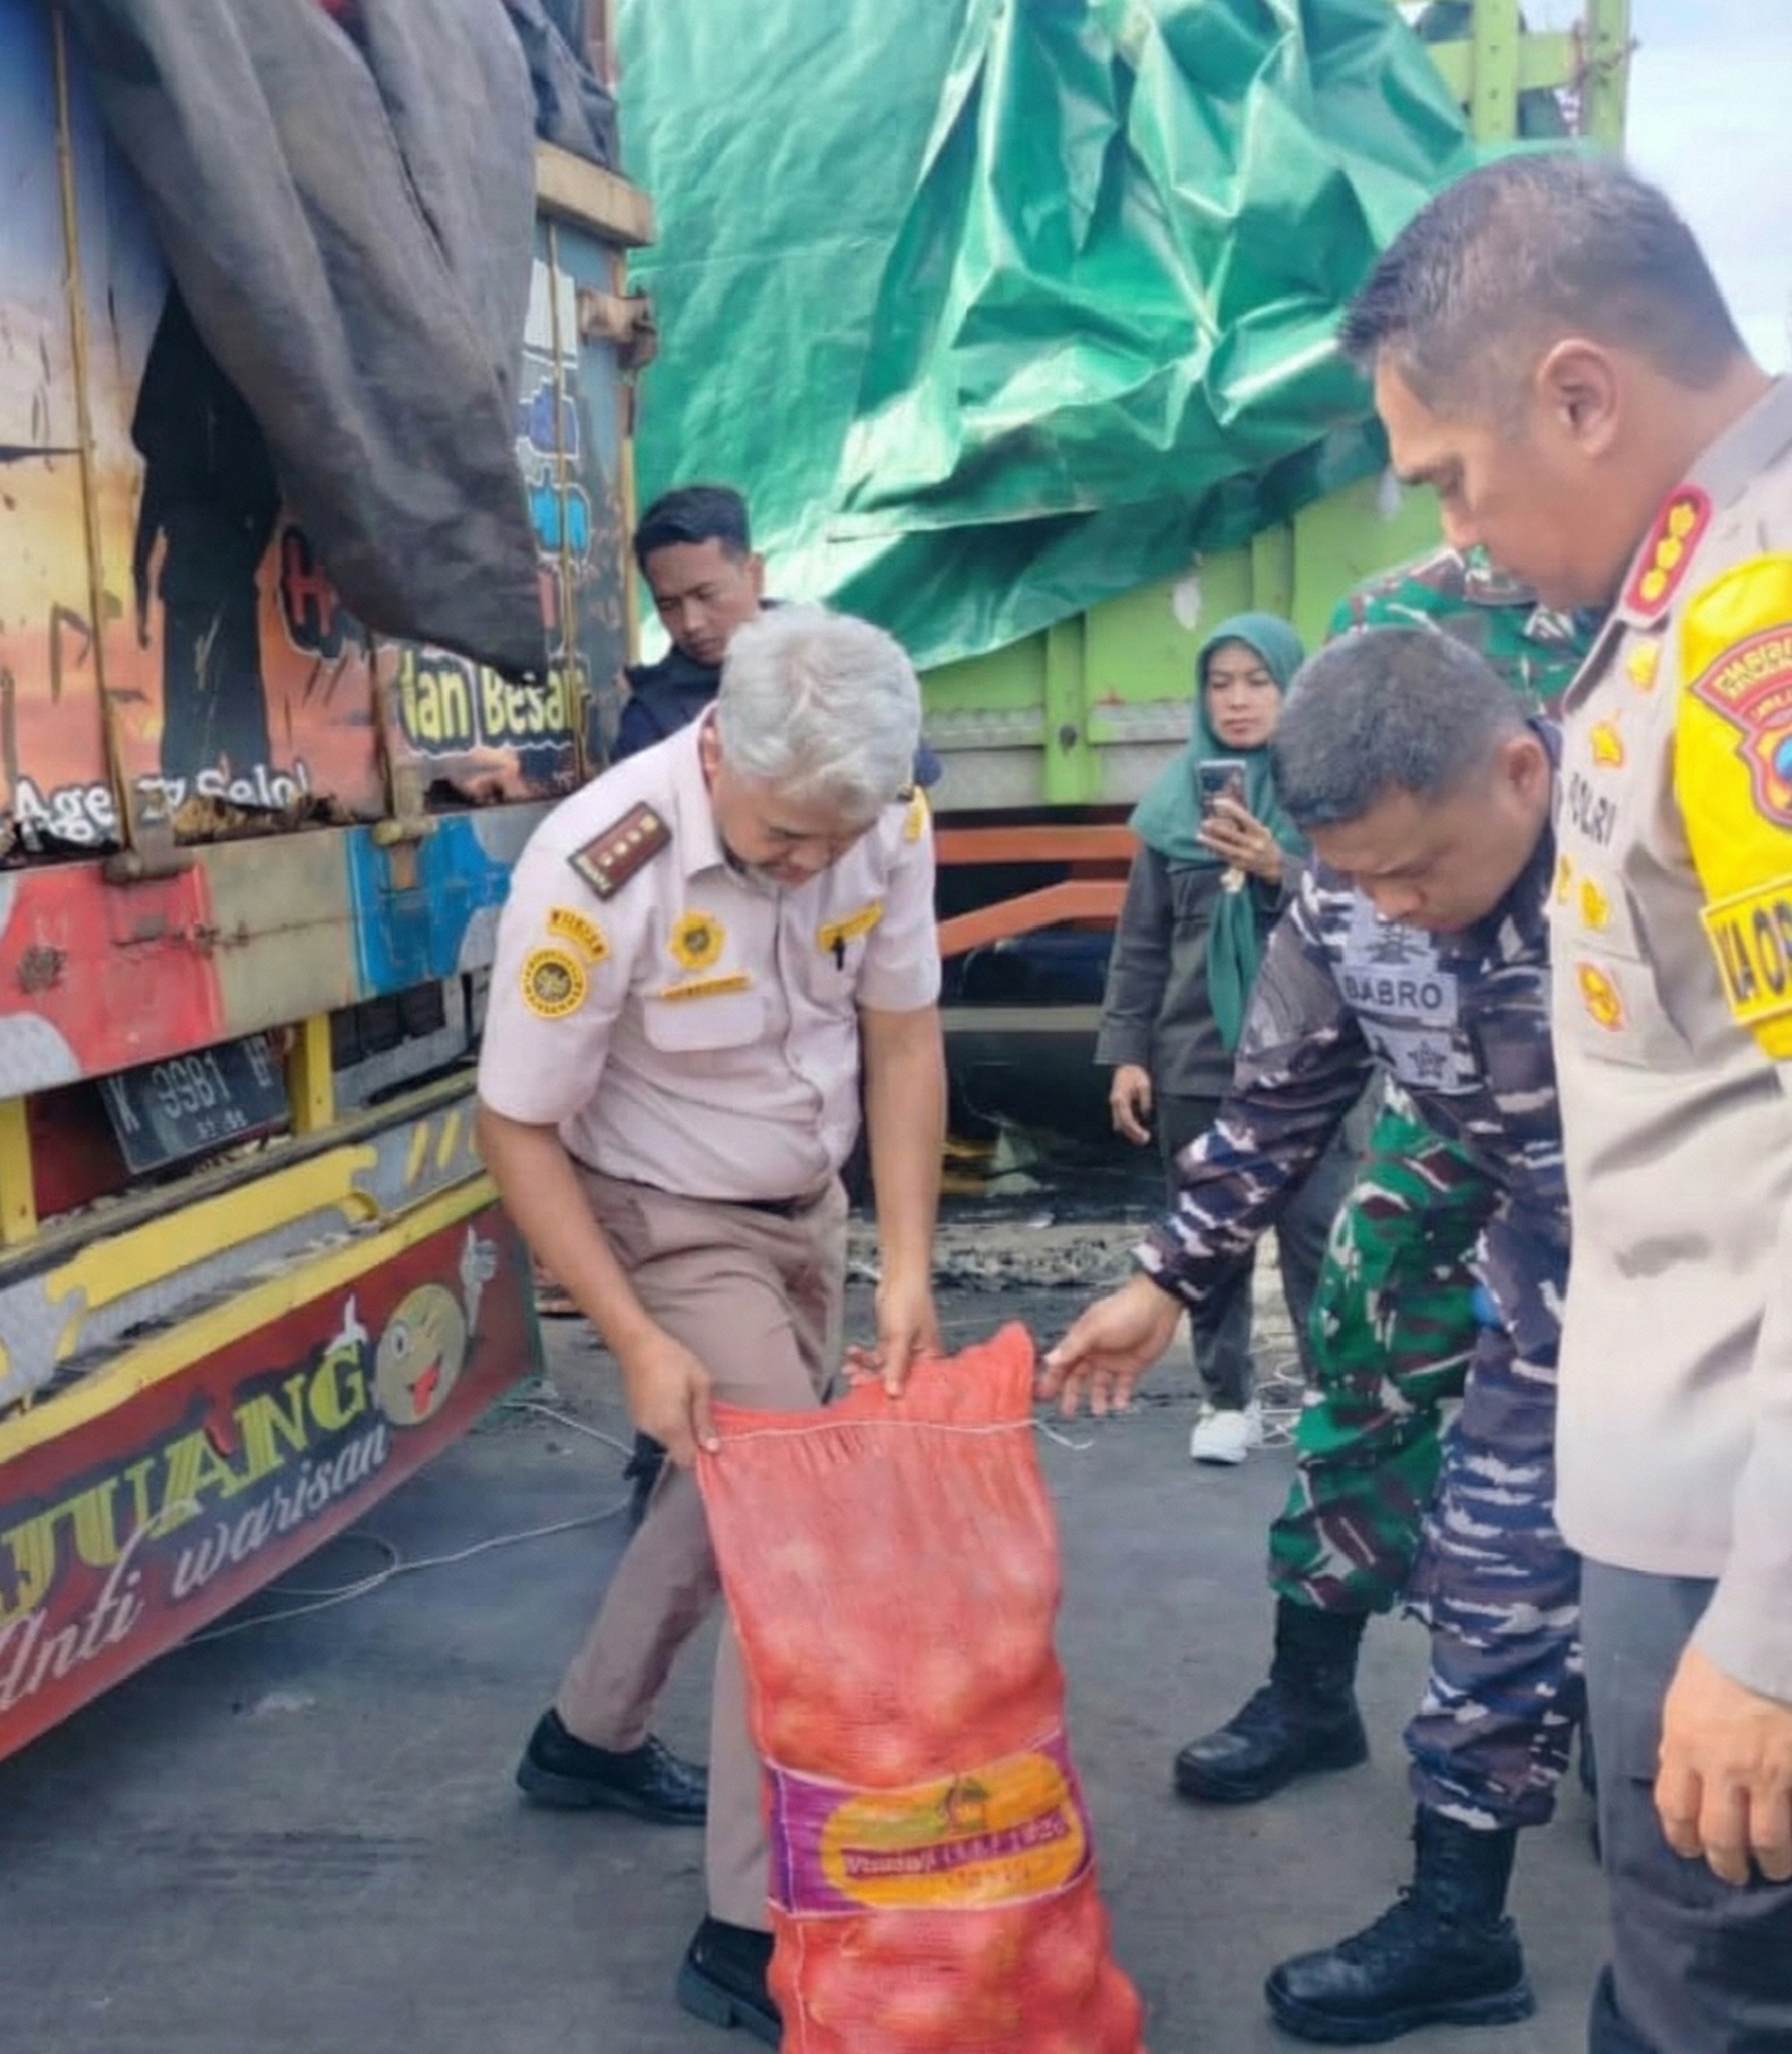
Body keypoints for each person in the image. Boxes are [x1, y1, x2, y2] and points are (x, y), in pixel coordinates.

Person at [1341, 152, 1792, 2054]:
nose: (1455, 535)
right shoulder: (1687, 583)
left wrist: (1768, 1629)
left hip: (1737, 1524)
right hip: (1686, 1486)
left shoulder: (1753, 626)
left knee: (1707, 2006)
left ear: (1580, 392)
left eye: (1451, 476)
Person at [1045, 627, 1581, 2044]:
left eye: (1420, 870)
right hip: (1474, 1170)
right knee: (1406, 1422)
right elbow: (1278, 1101)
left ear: (1521, 776)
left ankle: (1547, 1851)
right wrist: (1166, 1279)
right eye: (1357, 875)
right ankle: (1362, 1765)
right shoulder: (1346, 897)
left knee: (1566, 1550)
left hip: (1649, 1227)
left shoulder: (1643, 857)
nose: (1393, 908)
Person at [477, 605, 945, 2044]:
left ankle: (589, 1735)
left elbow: (903, 1031)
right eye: (783, 837)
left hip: (804, 1203)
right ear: (719, 744)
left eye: (833, 839)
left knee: (736, 1475)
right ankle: (754, 1921)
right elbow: (518, 1123)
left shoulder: (880, 817)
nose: (811, 865)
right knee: (796, 1536)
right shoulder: (597, 859)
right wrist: (628, 1334)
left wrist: (910, 1261)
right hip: (660, 1210)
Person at [1177, 551, 1592, 1800]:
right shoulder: (1387, 604)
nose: (1458, 503)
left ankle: (1600, 1712)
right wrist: (1169, 1266)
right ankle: (1312, 1685)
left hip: (1601, 1095)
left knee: (1599, 1411)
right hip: (1441, 1092)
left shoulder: (1663, 584)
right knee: (1361, 1360)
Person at [1097, 612, 1358, 1464]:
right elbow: (1141, 944)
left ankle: (1326, 1391)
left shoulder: (1330, 798)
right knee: (1209, 1234)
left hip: (1311, 1056)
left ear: (1291, 688)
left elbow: (1372, 910)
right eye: (1221, 683)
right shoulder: (1175, 808)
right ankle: (1225, 1398)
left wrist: (1283, 865)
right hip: (1195, 1052)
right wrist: (1127, 1053)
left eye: (1258, 681)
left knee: (1320, 1231)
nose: (1238, 701)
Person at [611, 484, 768, 761]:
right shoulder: (651, 722)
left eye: (705, 595)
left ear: (754, 574)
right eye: (668, 605)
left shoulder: (829, 670)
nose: (690, 623)